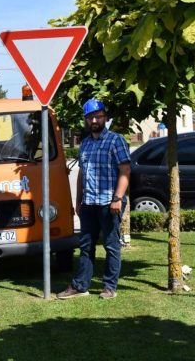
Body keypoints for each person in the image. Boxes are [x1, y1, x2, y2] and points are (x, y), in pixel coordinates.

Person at [57, 99, 131, 300]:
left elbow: (125, 170)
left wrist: (117, 198)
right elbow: (82, 174)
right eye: (90, 117)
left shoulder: (116, 140)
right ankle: (80, 285)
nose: (94, 120)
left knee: (111, 245)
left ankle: (109, 287)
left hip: (109, 203)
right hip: (89, 203)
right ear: (86, 120)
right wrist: (78, 201)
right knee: (86, 246)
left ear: (105, 117)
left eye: (98, 116)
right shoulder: (86, 143)